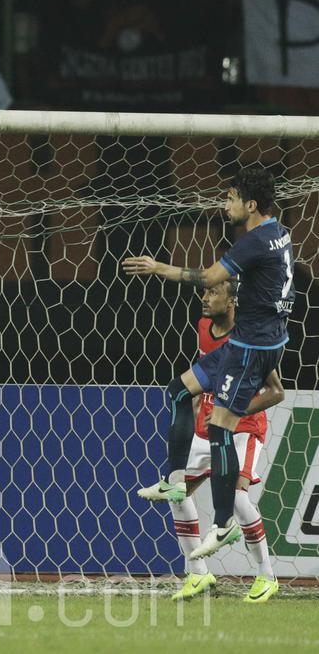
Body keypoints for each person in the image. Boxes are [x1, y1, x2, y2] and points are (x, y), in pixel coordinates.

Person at [124, 166, 295, 559]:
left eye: (231, 198)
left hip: (251, 347)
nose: (224, 205)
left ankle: (222, 525)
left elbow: (211, 276)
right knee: (179, 391)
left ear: (251, 205)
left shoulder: (254, 241)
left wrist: (159, 268)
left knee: (219, 429)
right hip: (259, 339)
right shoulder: (279, 231)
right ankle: (174, 479)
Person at [149, 278, 284, 603]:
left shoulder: (254, 336)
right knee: (176, 492)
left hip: (243, 426)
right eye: (205, 291)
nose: (205, 297)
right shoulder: (205, 326)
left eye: (213, 292)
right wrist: (194, 410)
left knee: (237, 499)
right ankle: (198, 575)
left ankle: (267, 576)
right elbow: (203, 373)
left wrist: (234, 413)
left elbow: (276, 392)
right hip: (207, 424)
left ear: (234, 301)